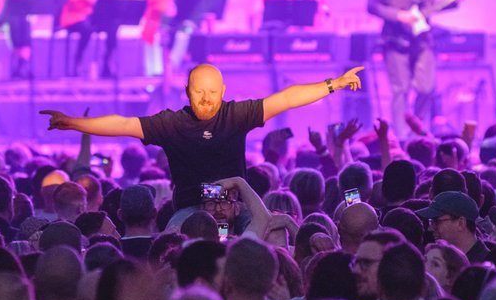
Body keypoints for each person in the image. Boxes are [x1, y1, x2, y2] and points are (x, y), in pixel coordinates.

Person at [41, 62, 363, 224]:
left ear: (223, 91)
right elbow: (124, 124)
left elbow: (287, 98)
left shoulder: (236, 114)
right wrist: (74, 122)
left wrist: (333, 83)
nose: (206, 99)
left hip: (235, 210)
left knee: (256, 247)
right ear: (187, 91)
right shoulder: (171, 123)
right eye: (199, 92)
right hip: (190, 213)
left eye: (212, 92)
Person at [367, 0, 437, 139]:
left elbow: (431, 4)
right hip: (395, 39)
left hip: (421, 39)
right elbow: (372, 5)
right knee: (400, 90)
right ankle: (402, 138)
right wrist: (397, 15)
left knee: (426, 87)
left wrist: (454, 2)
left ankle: (416, 129)